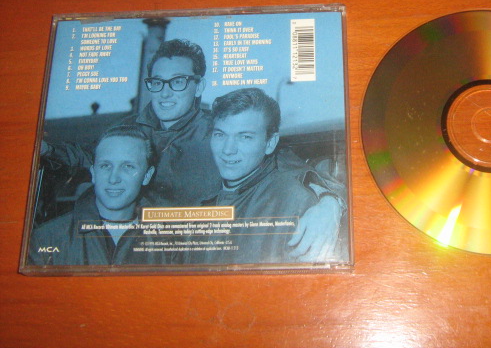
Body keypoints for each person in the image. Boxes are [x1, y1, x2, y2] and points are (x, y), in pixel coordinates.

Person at [40, 39, 343, 260]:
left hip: (199, 249)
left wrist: (329, 203)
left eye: (178, 82)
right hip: (139, 251)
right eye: (158, 82)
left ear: (198, 87)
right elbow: (86, 155)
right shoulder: (126, 131)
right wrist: (45, 150)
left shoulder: (219, 130)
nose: (166, 93)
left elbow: (284, 160)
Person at [192, 88, 341, 265]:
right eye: (220, 134)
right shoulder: (199, 188)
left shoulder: (298, 205)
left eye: (245, 137)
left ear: (270, 143)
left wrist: (330, 201)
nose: (228, 150)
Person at [28, 125, 169, 266]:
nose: (113, 179)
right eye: (105, 166)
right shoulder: (46, 238)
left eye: (128, 166)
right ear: (93, 173)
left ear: (147, 175)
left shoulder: (167, 237)